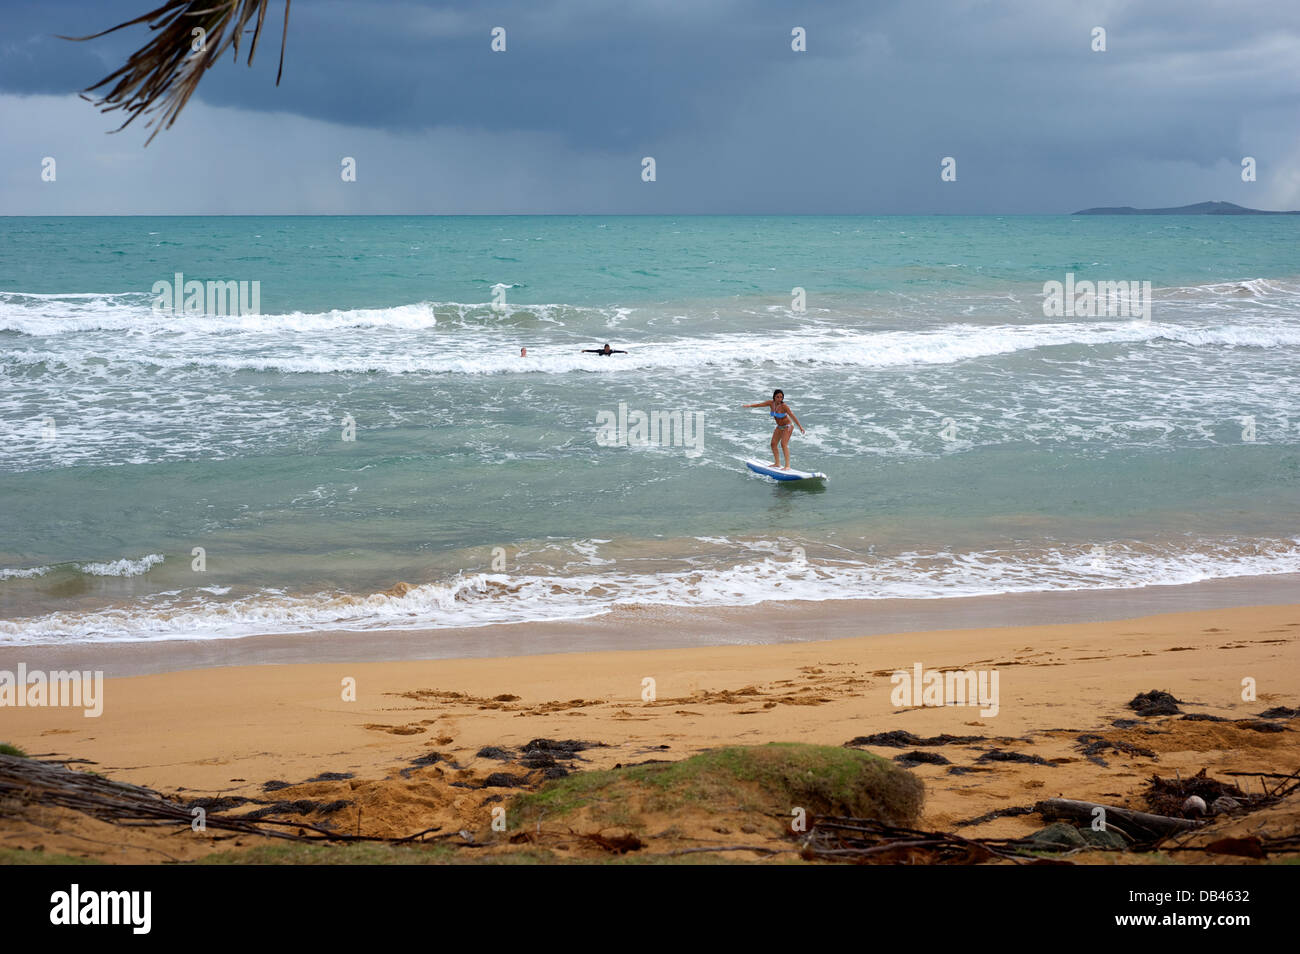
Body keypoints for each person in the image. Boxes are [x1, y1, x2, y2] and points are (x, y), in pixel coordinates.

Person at [743, 389, 804, 469]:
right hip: (780, 427)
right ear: (774, 397)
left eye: (781, 397)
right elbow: (759, 405)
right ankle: (777, 463)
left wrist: (800, 427)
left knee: (783, 444)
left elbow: (793, 416)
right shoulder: (771, 403)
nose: (779, 399)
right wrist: (750, 406)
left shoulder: (784, 406)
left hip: (788, 426)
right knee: (773, 444)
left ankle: (787, 466)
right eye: (777, 397)